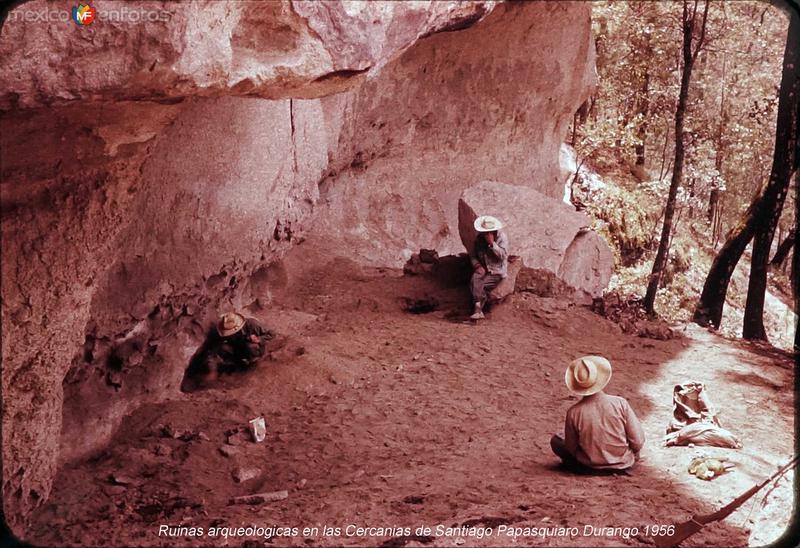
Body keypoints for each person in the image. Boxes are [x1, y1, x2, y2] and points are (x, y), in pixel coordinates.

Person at [551, 356, 645, 473]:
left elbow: (571, 448)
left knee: (556, 440)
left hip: (589, 466)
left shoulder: (574, 412)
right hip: (623, 464)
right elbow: (638, 441)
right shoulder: (620, 403)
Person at [201, 311, 274, 381]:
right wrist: (212, 370)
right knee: (223, 348)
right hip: (237, 349)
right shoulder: (224, 329)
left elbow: (272, 333)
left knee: (251, 346)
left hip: (251, 348)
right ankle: (239, 365)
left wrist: (259, 339)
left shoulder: (252, 324)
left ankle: (253, 364)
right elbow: (213, 350)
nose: (230, 334)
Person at [469, 215, 509, 320]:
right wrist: (477, 266)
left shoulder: (502, 238)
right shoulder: (479, 240)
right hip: (483, 269)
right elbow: (473, 256)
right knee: (475, 279)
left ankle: (478, 309)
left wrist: (492, 244)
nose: (487, 234)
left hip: (496, 271)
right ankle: (479, 309)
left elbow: (503, 256)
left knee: (478, 285)